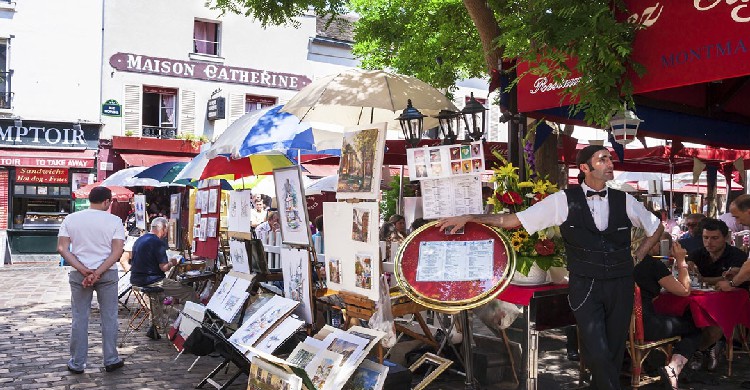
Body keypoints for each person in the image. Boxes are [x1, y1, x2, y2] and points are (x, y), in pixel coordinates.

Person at [437, 145, 663, 389]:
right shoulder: (563, 201)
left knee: (615, 349)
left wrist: (638, 256)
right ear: (585, 168)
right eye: (603, 159)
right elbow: (514, 221)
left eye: (610, 159)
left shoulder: (625, 200)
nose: (610, 163)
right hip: (585, 285)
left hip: (621, 283)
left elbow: (656, 226)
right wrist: (471, 217)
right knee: (597, 349)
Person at [57, 186, 126, 374]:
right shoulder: (114, 220)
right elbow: (117, 251)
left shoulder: (71, 219)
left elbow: (63, 248)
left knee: (80, 318)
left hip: (80, 273)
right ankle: (111, 359)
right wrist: (98, 272)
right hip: (107, 273)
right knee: (109, 317)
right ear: (106, 201)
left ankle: (77, 363)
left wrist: (84, 270)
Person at [634, 238, 711, 389]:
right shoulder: (651, 264)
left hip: (616, 325)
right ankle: (674, 368)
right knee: (695, 324)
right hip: (644, 326)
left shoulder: (620, 259)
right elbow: (684, 290)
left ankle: (634, 365)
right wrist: (681, 260)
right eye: (657, 241)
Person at [130, 216, 198, 335]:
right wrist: (173, 262)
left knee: (160, 295)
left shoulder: (140, 239)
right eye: (166, 231)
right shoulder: (157, 242)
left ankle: (155, 325)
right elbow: (164, 267)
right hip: (152, 280)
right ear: (162, 228)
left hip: (136, 279)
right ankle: (191, 327)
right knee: (189, 292)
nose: (166, 234)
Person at [688, 218, 747, 287]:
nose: (709, 242)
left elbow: (732, 278)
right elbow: (689, 274)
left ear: (726, 238)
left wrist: (701, 279)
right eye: (706, 237)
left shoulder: (737, 255)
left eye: (715, 238)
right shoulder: (696, 254)